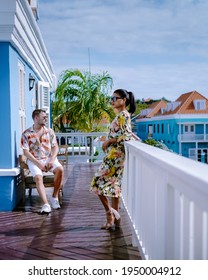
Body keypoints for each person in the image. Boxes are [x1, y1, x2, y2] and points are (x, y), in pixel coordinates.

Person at [90, 89, 136, 230]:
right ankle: (115, 219)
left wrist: (109, 142)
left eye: (115, 98)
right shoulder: (122, 115)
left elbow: (127, 136)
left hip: (115, 157)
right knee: (114, 186)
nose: (112, 101)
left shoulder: (124, 115)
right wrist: (109, 141)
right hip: (116, 156)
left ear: (124, 100)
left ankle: (109, 213)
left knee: (97, 183)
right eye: (111, 98)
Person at [21, 109, 64, 214]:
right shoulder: (26, 134)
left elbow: (55, 147)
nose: (46, 119)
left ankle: (54, 197)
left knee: (60, 169)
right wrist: (39, 164)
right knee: (38, 177)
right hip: (35, 160)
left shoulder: (49, 131)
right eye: (43, 117)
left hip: (49, 158)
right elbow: (26, 152)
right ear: (36, 118)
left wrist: (52, 159)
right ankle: (46, 204)